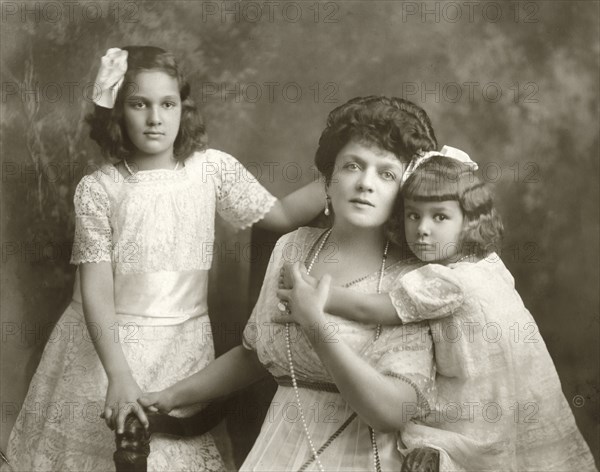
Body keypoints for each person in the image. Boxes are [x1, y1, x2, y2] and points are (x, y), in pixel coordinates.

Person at [3, 46, 325, 472]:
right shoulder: (100, 189)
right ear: (118, 113)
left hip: (183, 344)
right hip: (105, 349)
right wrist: (117, 374)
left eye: (167, 104)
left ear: (182, 108)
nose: (155, 118)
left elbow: (279, 215)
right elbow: (95, 286)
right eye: (140, 104)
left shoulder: (211, 169)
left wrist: (341, 175)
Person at [139, 96, 440, 471]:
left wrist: (315, 324)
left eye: (386, 173)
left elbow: (393, 412)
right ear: (328, 180)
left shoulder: (414, 278)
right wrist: (171, 395)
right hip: (276, 451)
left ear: (403, 192)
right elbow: (255, 355)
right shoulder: (292, 248)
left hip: (363, 456)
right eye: (353, 166)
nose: (365, 183)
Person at [278, 149, 598, 471]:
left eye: (439, 217)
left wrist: (317, 294)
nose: (422, 229)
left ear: (470, 220)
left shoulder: (444, 281)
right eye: (413, 215)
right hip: (521, 396)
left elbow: (368, 308)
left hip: (480, 406)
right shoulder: (489, 264)